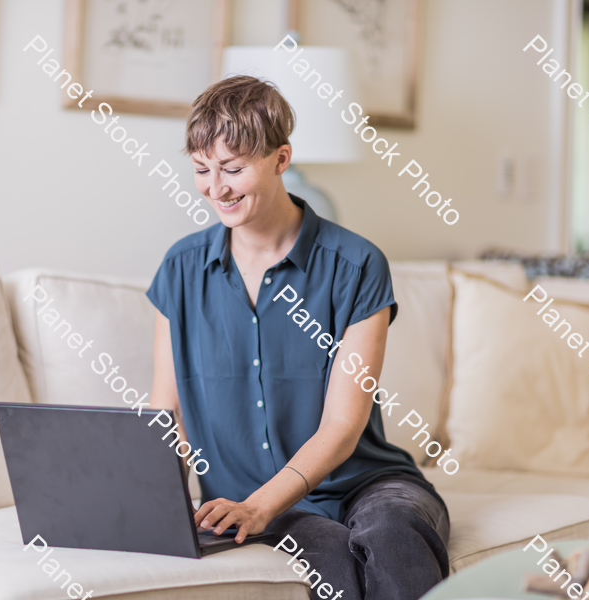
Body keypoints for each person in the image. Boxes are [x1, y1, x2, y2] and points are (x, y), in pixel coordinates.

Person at [146, 75, 450, 600]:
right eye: (202, 169)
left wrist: (263, 505)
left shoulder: (356, 265)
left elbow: (342, 425)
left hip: (368, 484)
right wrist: (148, 514)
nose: (215, 188)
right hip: (250, 504)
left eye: (234, 169)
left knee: (393, 537)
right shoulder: (179, 270)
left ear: (281, 158)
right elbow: (165, 416)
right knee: (329, 559)